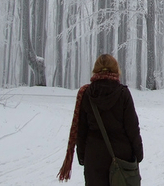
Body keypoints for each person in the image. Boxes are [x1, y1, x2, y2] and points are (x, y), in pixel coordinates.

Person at [58, 54, 144, 185]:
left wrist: (83, 156)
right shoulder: (123, 93)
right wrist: (138, 153)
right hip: (121, 155)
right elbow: (132, 127)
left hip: (94, 157)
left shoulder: (86, 94)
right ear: (116, 70)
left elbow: (81, 129)